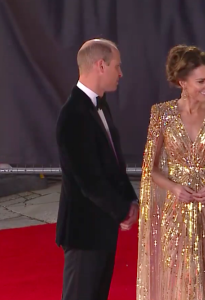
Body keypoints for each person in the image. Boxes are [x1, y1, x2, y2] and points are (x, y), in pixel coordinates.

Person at [136, 44, 205, 300]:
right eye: (201, 81)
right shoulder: (162, 114)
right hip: (176, 210)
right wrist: (174, 188)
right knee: (179, 275)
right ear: (182, 81)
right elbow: (151, 167)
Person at [56, 38, 139, 300]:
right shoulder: (73, 115)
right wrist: (122, 209)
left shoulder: (100, 105)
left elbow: (114, 163)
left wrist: (129, 199)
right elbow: (89, 180)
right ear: (100, 65)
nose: (121, 73)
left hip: (102, 228)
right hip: (84, 232)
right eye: (117, 66)